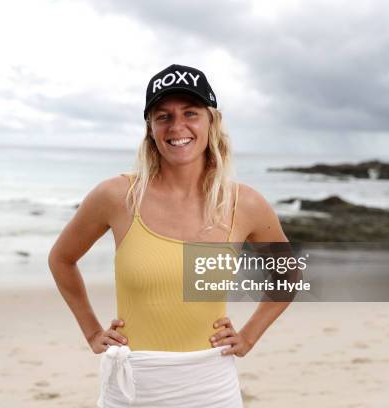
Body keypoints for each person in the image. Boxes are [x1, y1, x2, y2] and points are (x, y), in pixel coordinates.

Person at [48, 64, 290, 407]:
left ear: (211, 122)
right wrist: (91, 331)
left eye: (190, 113)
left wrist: (249, 336)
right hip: (133, 385)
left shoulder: (244, 203)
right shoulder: (117, 196)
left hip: (211, 385)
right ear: (150, 129)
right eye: (163, 116)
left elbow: (287, 273)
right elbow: (61, 259)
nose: (178, 127)